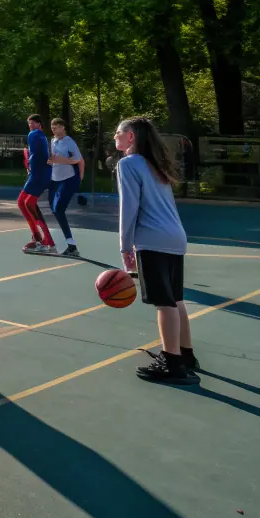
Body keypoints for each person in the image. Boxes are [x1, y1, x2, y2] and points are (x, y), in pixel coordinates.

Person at [115, 115, 197, 385]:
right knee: (175, 299)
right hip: (176, 236)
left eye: (118, 133)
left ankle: (171, 362)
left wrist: (125, 245)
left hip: (153, 238)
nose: (114, 137)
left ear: (131, 137)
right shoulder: (156, 165)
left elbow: (129, 207)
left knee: (164, 304)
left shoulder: (128, 164)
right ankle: (185, 355)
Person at [19, 114, 56, 254]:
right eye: (29, 124)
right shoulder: (39, 136)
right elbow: (36, 155)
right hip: (36, 174)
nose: (31, 126)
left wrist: (30, 164)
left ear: (40, 124)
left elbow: (35, 156)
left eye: (33, 123)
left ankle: (48, 242)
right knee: (22, 202)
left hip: (38, 175)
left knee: (29, 204)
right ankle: (37, 236)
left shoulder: (34, 134)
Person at [46, 117, 83, 258]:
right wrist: (49, 161)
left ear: (62, 127)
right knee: (55, 210)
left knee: (58, 209)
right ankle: (53, 242)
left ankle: (72, 246)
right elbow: (53, 159)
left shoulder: (69, 142)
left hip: (68, 180)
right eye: (52, 127)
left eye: (55, 127)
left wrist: (64, 161)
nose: (53, 129)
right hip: (54, 180)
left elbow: (78, 158)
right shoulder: (53, 141)